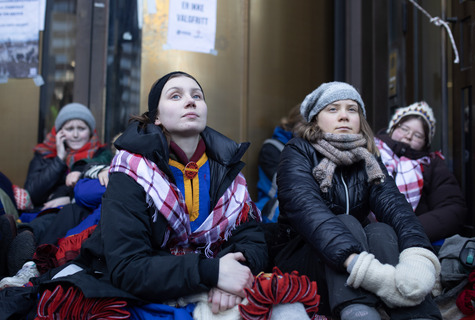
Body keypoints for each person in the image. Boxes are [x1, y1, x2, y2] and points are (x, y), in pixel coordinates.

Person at [25, 71, 309, 319]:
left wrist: (236, 272)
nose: (190, 100)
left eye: (197, 95)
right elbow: (128, 266)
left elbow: (251, 237)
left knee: (289, 308)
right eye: (176, 96)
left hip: (212, 286)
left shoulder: (228, 169)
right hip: (142, 292)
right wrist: (213, 273)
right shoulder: (131, 172)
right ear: (157, 117)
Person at [275, 81, 442, 319]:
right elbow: (307, 211)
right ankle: (359, 311)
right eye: (333, 109)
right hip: (305, 260)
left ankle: (414, 311)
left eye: (351, 109)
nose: (344, 116)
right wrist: (359, 264)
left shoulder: (368, 158)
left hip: (358, 263)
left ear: (359, 120)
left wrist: (418, 254)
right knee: (347, 222)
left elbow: (394, 205)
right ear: (315, 119)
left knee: (382, 230)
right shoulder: (297, 151)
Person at [375, 101, 467, 243]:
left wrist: (410, 229)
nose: (408, 136)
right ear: (392, 128)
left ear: (426, 143)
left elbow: (453, 209)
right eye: (404, 128)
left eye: (418, 135)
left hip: (411, 242)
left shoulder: (432, 163)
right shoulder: (369, 151)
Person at [24, 102, 112, 210]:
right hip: (41, 214)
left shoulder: (102, 155)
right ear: (59, 132)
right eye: (69, 129)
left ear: (90, 132)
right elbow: (32, 195)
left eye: (81, 128)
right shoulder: (44, 155)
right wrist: (59, 159)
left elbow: (102, 190)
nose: (75, 135)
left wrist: (69, 199)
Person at [256, 104, 303, 223]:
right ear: (294, 124)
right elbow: (285, 188)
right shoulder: (272, 147)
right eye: (304, 124)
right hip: (272, 210)